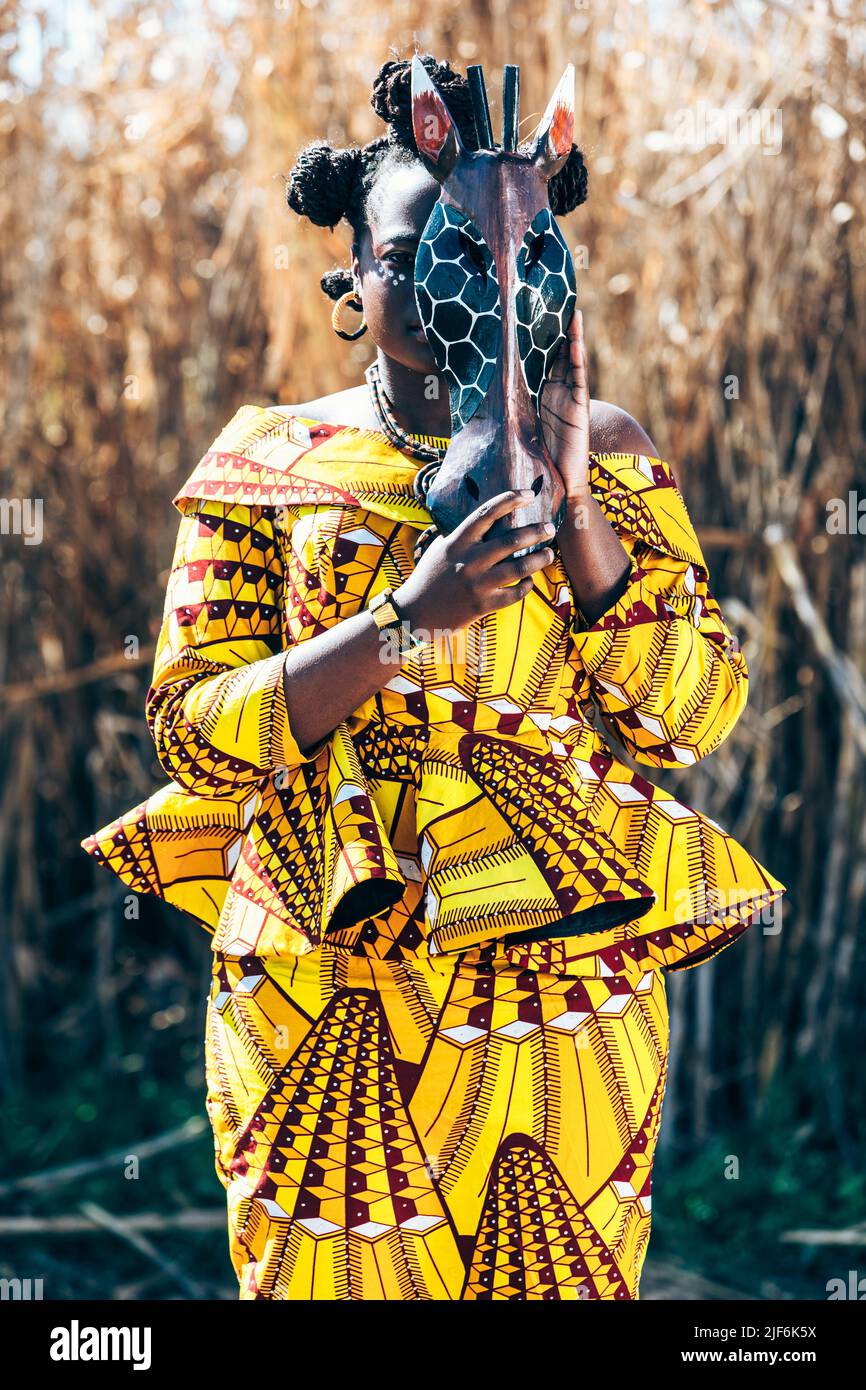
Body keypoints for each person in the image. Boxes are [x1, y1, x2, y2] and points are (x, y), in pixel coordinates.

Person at [82, 54, 785, 1300]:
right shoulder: (270, 461)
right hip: (319, 974)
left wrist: (571, 503)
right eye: (416, 252)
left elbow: (686, 713)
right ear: (351, 276)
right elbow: (193, 733)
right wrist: (404, 624)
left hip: (557, 989)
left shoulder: (608, 452)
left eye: (499, 250)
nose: (468, 277)